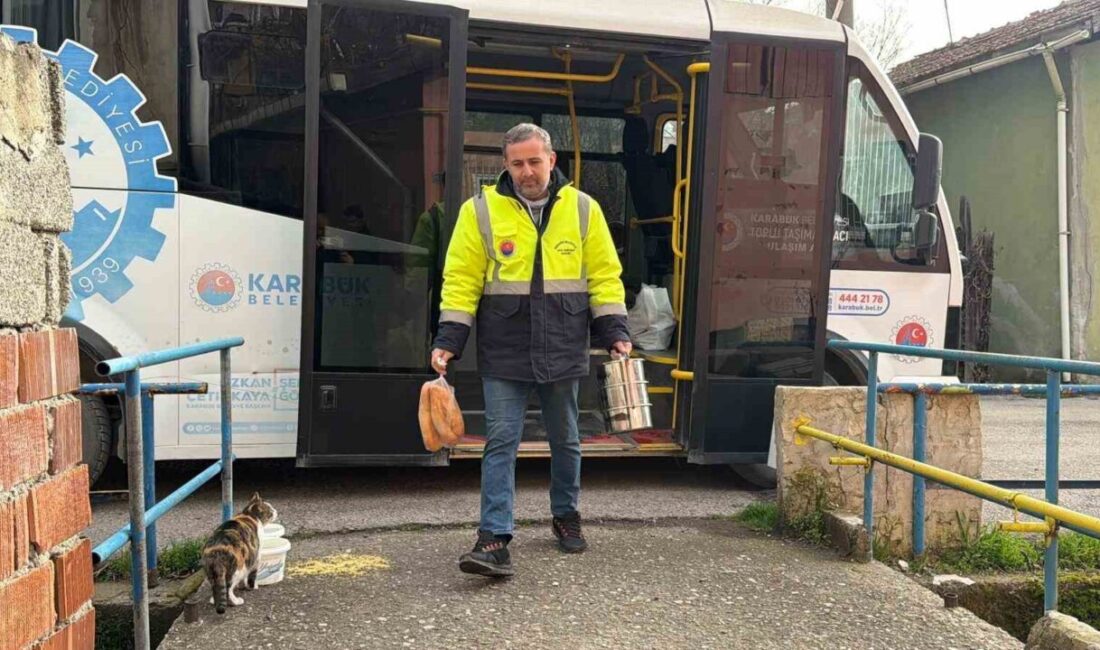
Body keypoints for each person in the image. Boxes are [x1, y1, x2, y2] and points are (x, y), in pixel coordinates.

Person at [431, 123, 632, 577]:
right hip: (505, 347)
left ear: (552, 160)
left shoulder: (584, 209)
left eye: (534, 161)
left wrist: (615, 330)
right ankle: (493, 537)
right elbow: (461, 279)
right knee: (501, 441)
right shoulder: (479, 211)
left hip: (563, 343)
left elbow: (604, 275)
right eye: (517, 163)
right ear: (507, 165)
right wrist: (448, 340)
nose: (526, 171)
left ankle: (566, 516)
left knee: (566, 439)